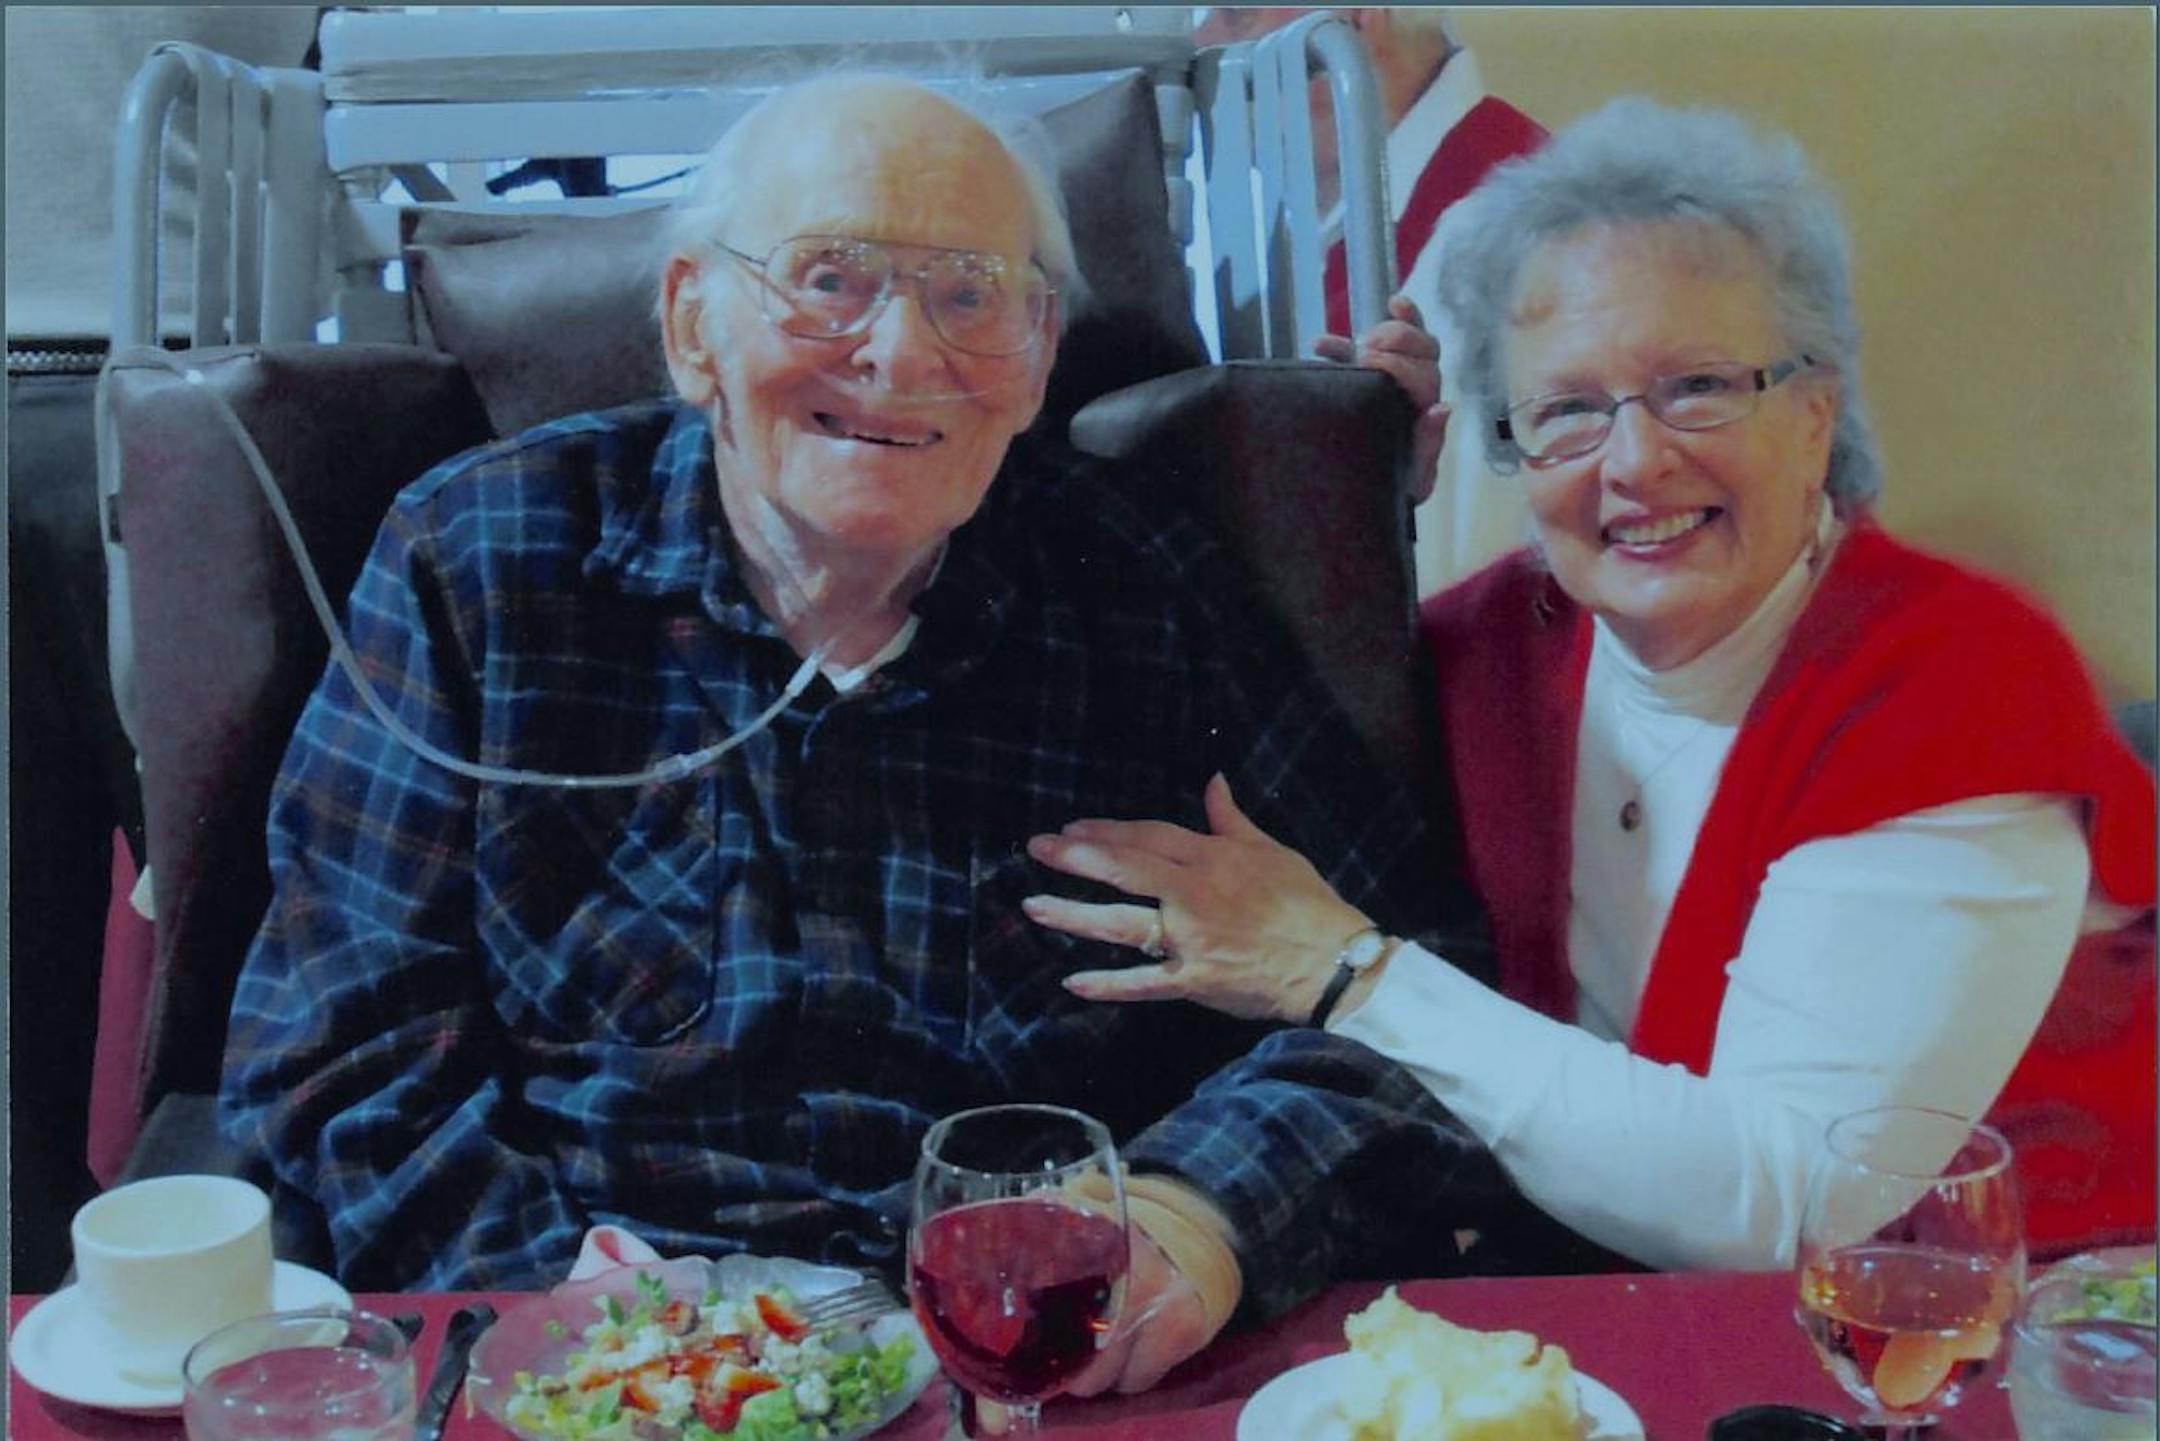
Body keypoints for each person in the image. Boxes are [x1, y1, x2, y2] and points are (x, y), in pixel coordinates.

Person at [219, 72, 1524, 1390]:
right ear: (690, 325)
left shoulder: (1143, 592)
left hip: (1043, 1364)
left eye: (968, 294)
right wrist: (552, 1298)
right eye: (829, 279)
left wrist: (1204, 1213)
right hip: (596, 1363)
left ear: (1036, 359)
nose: (901, 356)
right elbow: (337, 1035)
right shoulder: (482, 567)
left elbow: (1412, 986)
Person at [1024, 96, 2157, 1271]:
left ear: (1816, 414)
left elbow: (1789, 1202)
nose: (1635, 460)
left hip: (2004, 1309)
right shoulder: (1491, 648)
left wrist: (1348, 972)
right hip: (1619, 1281)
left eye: (1699, 387)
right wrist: (1352, 496)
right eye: (1567, 411)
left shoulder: (1959, 682)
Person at [1195, 7, 1546, 585]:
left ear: (1356, 16)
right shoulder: (1331, 238)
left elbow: (1482, 586)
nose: (1200, 40)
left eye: (1233, 13)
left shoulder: (1515, 239)